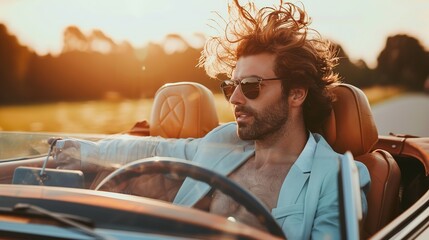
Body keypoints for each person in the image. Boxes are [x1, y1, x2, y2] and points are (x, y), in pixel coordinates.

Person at [54, 0, 370, 239]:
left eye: (251, 87)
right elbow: (151, 151)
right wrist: (72, 152)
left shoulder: (338, 177)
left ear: (296, 94)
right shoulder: (224, 141)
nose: (234, 98)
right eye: (231, 86)